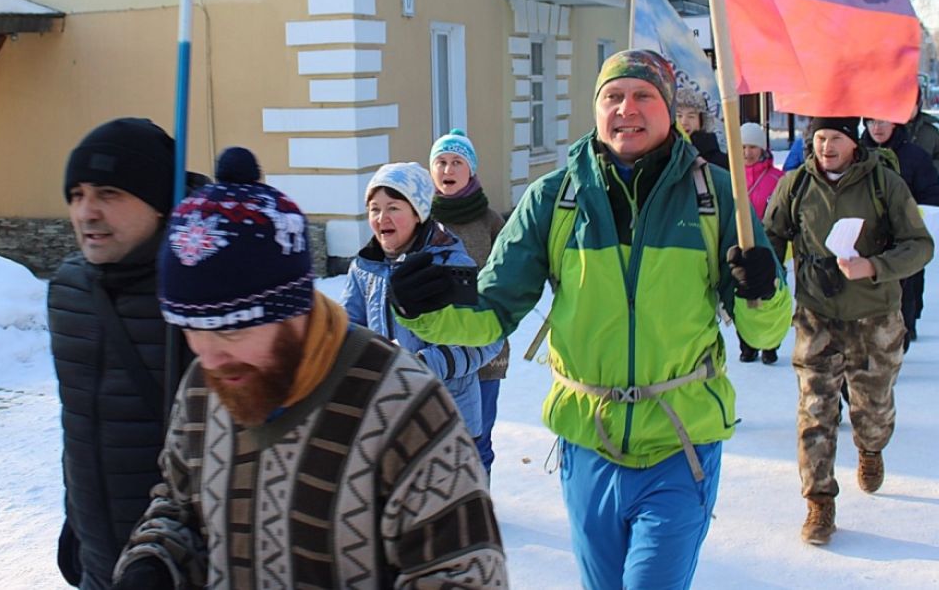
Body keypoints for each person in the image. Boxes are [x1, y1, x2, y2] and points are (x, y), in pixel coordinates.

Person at [389, 49, 793, 588]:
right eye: (613, 96)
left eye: (643, 95)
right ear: (596, 110)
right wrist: (428, 310)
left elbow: (763, 331)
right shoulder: (553, 199)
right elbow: (491, 314)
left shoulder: (717, 196)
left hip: (681, 442)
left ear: (669, 109)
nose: (627, 107)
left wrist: (764, 292)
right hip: (588, 440)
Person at [110, 154, 505, 588]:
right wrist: (154, 561)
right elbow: (181, 502)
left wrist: (414, 363)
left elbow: (461, 571)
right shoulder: (205, 385)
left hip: (454, 399)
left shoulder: (405, 409)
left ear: (290, 311)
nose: (210, 358)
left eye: (233, 329)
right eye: (192, 329)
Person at [763, 117, 933, 546]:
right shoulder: (797, 185)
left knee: (872, 409)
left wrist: (874, 266)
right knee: (814, 412)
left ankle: (871, 448)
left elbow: (920, 244)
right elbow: (771, 236)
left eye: (834, 138)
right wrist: (758, 269)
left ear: (852, 142)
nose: (825, 147)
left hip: (874, 316)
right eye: (819, 138)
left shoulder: (884, 183)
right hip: (816, 316)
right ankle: (819, 503)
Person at [49, 118, 201, 589]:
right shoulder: (67, 291)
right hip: (98, 561)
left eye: (109, 193)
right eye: (77, 194)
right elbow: (79, 425)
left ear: (160, 204)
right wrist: (76, 524)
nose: (87, 212)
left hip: (182, 568)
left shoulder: (202, 295)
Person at [339, 161, 501, 451]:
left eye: (393, 208)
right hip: (387, 419)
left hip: (449, 419)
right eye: (374, 209)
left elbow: (488, 341)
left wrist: (423, 364)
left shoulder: (452, 264)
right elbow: (347, 332)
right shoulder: (364, 268)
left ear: (418, 213)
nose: (381, 217)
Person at [428, 130, 509, 475]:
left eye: (457, 162)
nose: (448, 168)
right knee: (435, 435)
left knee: (479, 436)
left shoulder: (490, 220)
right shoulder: (420, 218)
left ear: (470, 170)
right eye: (441, 162)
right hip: (434, 349)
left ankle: (479, 506)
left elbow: (509, 275)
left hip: (482, 350)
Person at [861, 119, 939, 349]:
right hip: (865, 246)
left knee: (905, 297)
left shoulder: (914, 157)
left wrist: (911, 215)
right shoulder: (855, 155)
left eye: (882, 122)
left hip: (904, 245)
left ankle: (899, 342)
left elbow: (936, 197)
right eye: (870, 121)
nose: (876, 127)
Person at [738, 122, 785, 365]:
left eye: (753, 147)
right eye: (743, 146)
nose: (747, 152)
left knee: (770, 295)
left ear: (763, 148)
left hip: (770, 246)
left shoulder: (778, 178)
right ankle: (747, 344)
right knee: (742, 294)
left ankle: (770, 344)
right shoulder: (731, 176)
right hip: (739, 244)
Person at [675, 86, 729, 169]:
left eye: (691, 116)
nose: (684, 122)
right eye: (679, 116)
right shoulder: (664, 157)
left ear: (702, 120)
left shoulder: (719, 162)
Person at [907, 88, 939, 176]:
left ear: (918, 105)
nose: (907, 109)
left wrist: (927, 169)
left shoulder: (930, 132)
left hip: (923, 186)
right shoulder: (887, 129)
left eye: (911, 104)